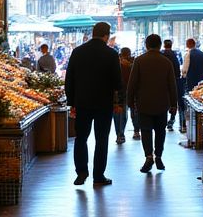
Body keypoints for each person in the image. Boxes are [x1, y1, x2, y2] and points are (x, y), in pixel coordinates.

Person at [64, 21, 123, 186]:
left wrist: (72, 102)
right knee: (101, 139)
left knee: (81, 138)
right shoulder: (111, 54)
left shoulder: (78, 52)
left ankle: (81, 172)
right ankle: (98, 175)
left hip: (82, 103)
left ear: (93, 33)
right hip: (104, 104)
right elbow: (117, 82)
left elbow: (69, 80)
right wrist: (118, 102)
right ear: (106, 35)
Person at [126, 33, 178, 173]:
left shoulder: (139, 61)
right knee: (161, 131)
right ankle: (159, 156)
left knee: (146, 131)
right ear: (160, 45)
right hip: (162, 103)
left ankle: (149, 156)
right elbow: (172, 85)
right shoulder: (166, 62)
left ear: (146, 45)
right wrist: (174, 104)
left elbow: (132, 83)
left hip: (143, 103)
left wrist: (130, 101)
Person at [180, 37, 203, 132]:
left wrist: (183, 78)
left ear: (187, 45)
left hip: (191, 82)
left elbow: (185, 70)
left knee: (190, 104)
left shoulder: (188, 54)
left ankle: (187, 126)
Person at [161, 39, 184, 131]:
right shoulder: (174, 55)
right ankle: (171, 120)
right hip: (174, 81)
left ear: (164, 45)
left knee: (163, 101)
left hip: (163, 82)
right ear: (171, 45)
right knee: (173, 101)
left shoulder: (162, 55)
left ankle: (163, 119)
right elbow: (177, 69)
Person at [114, 46, 134, 144]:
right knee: (123, 114)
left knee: (117, 113)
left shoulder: (116, 62)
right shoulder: (132, 63)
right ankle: (120, 133)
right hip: (127, 90)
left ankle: (119, 134)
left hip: (117, 91)